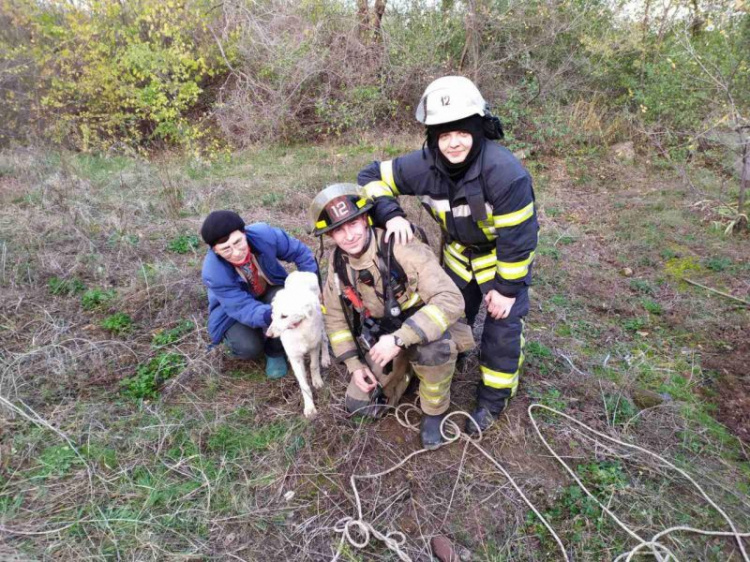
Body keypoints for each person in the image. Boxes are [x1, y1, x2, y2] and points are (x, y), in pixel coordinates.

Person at [358, 76, 539, 434]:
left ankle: (493, 400)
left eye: (462, 133)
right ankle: (453, 360)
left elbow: (519, 239)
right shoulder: (423, 164)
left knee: (501, 332)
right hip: (457, 255)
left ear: (478, 130)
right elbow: (370, 176)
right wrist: (390, 214)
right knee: (452, 317)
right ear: (433, 137)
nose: (454, 143)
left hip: (500, 260)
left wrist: (506, 288)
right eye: (444, 135)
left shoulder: (505, 174)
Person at [310, 184, 474, 449]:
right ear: (330, 235)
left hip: (425, 329)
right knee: (360, 406)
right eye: (338, 230)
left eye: (352, 224)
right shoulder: (338, 262)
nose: (348, 236)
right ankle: (407, 369)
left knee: (433, 351)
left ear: (364, 219)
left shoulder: (401, 245)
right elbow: (335, 319)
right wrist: (354, 365)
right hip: (385, 336)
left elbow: (450, 299)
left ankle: (435, 410)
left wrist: (399, 339)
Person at [200, 210, 318, 379]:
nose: (236, 252)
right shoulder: (213, 272)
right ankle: (245, 337)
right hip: (234, 311)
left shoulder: (265, 235)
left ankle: (275, 351)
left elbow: (301, 253)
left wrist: (310, 288)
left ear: (244, 233)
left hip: (269, 290)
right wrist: (272, 316)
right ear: (215, 251)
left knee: (285, 300)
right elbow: (240, 306)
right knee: (248, 347)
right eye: (226, 249)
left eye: (238, 242)